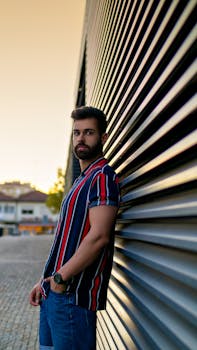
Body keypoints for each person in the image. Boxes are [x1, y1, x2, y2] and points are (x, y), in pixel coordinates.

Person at [29, 106, 120, 350]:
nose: (81, 138)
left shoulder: (102, 177)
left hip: (72, 297)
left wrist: (60, 279)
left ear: (102, 138)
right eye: (76, 133)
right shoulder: (81, 181)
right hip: (54, 294)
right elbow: (64, 240)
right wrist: (45, 281)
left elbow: (99, 236)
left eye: (88, 132)